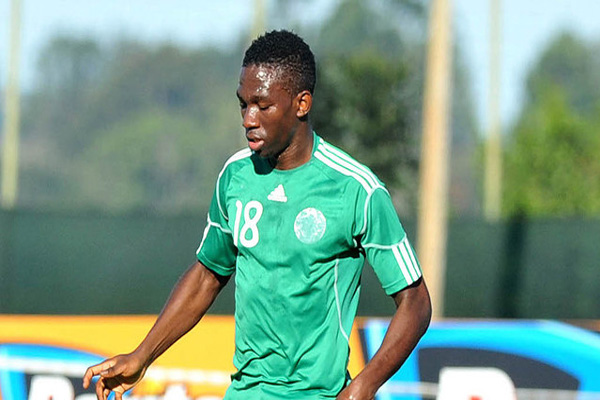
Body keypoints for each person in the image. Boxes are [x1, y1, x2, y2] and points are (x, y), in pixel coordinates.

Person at [83, 29, 431, 400]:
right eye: (243, 104)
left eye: (262, 106)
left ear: (301, 104)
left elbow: (416, 303)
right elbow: (207, 275)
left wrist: (363, 386)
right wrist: (141, 356)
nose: (248, 118)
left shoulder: (356, 189)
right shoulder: (235, 176)